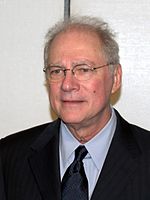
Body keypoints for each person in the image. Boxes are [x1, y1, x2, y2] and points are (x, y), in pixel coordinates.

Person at [0, 16, 150, 200]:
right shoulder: (8, 158)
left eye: (83, 69)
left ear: (115, 78)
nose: (67, 85)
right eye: (56, 71)